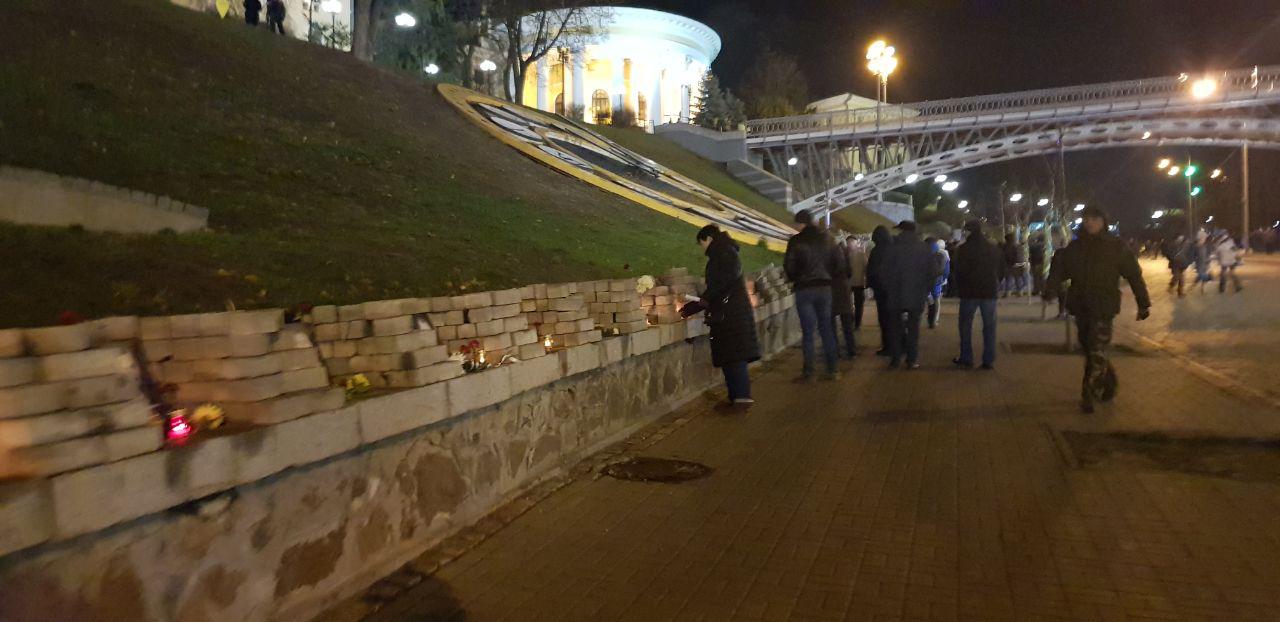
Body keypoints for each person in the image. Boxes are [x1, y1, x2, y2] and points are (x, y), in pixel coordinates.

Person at [1045, 206, 1151, 413]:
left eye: (1095, 219)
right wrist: (1050, 289)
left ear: (1103, 221)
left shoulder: (1116, 247)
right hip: (1081, 306)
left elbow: (1134, 276)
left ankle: (1088, 393)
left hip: (1103, 307)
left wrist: (1143, 303)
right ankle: (1108, 381)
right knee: (1090, 349)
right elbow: (1059, 271)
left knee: (1096, 349)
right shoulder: (1075, 248)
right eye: (1087, 219)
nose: (1090, 222)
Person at [686, 225, 760, 411]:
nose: (703, 248)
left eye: (702, 243)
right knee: (730, 357)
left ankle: (741, 398)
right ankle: (735, 397)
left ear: (709, 238)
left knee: (734, 356)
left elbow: (720, 285)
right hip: (728, 312)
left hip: (731, 314)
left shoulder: (723, 254)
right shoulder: (725, 252)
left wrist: (699, 303)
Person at [784, 209, 842, 381]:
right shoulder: (828, 239)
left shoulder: (796, 241)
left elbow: (789, 266)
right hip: (825, 288)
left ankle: (809, 371)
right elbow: (839, 264)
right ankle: (833, 369)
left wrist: (796, 278)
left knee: (808, 332)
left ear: (801, 224)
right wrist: (829, 277)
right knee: (826, 329)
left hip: (804, 289)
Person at [879, 221, 939, 370]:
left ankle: (895, 359)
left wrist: (888, 288)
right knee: (914, 328)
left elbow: (883, 271)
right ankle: (912, 360)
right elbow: (933, 272)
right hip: (916, 295)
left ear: (901, 231)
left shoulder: (892, 248)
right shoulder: (924, 248)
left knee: (895, 327)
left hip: (895, 295)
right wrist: (926, 289)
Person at [951, 220, 1002, 370]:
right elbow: (1001, 269)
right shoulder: (993, 248)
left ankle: (966, 357)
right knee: (989, 327)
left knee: (965, 325)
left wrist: (960, 287)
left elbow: (958, 271)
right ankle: (988, 359)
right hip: (989, 292)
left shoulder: (963, 249)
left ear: (969, 232)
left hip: (969, 292)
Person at [866, 226, 893, 356]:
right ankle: (898, 344)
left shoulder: (876, 251)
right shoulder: (894, 249)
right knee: (894, 318)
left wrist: (871, 286)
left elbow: (871, 271)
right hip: (894, 290)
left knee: (884, 319)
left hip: (881, 290)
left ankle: (887, 346)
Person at [831, 234, 857, 359]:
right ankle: (851, 351)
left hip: (831, 290)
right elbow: (849, 272)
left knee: (831, 325)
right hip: (844, 290)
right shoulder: (845, 254)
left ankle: (834, 351)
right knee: (847, 324)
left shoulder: (828, 254)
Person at [926, 237, 950, 329]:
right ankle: (933, 321)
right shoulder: (942, 254)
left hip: (923, 282)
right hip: (937, 281)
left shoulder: (921, 253)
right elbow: (946, 270)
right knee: (936, 301)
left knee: (924, 300)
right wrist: (943, 279)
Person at [846, 235, 869, 330]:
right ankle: (853, 320)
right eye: (849, 242)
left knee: (858, 303)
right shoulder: (845, 254)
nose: (850, 244)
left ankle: (857, 322)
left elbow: (866, 268)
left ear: (856, 243)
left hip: (858, 282)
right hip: (848, 283)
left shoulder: (861, 255)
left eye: (852, 242)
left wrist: (866, 279)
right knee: (849, 303)